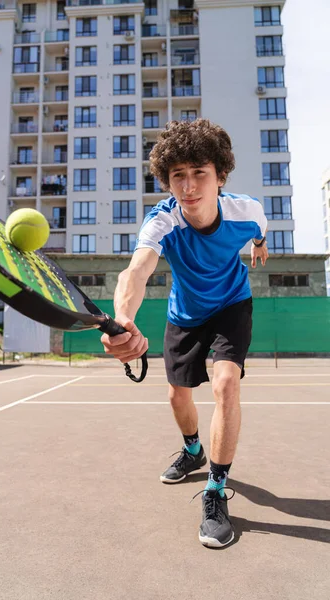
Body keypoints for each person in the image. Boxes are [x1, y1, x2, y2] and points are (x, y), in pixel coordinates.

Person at [101, 119, 269, 548]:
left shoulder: (245, 211)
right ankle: (193, 449)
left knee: (226, 383)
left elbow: (261, 229)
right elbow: (136, 272)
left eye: (200, 173)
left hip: (232, 303)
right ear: (168, 181)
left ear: (220, 176)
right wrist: (123, 319)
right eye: (178, 175)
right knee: (178, 396)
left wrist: (260, 245)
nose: (189, 185)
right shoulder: (162, 220)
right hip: (185, 313)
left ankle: (215, 489)